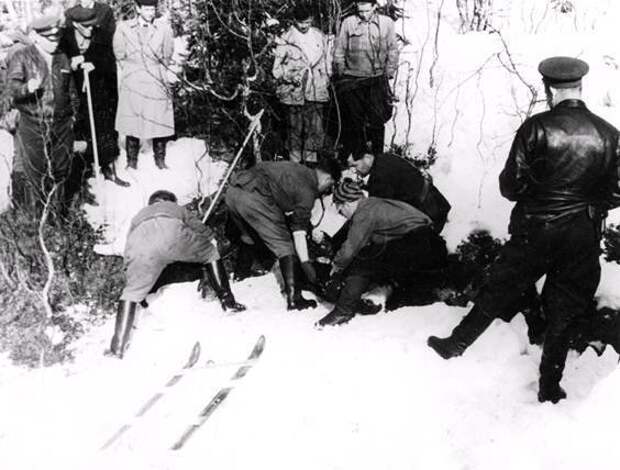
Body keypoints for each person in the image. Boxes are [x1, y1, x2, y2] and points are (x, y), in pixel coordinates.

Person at [427, 57, 620, 404]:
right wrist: (590, 204)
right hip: (582, 233)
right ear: (580, 88)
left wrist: (540, 196)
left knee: (500, 286)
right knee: (565, 307)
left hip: (537, 228)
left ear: (549, 89)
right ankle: (549, 387)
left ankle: (455, 345)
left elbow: (510, 186)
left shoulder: (536, 128)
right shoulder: (608, 134)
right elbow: (618, 190)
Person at [108, 190, 246, 359]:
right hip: (172, 236)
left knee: (131, 294)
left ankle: (117, 347)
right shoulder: (175, 208)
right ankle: (228, 302)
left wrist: (130, 271)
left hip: (140, 245)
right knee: (211, 253)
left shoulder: (139, 216)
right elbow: (200, 228)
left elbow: (129, 246)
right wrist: (209, 237)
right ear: (170, 200)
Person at [316, 179, 436, 327]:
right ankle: (376, 295)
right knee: (374, 255)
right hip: (428, 241)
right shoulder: (373, 204)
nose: (343, 215)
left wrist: (336, 267)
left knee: (363, 260)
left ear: (346, 204)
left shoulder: (363, 212)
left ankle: (343, 311)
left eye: (341, 210)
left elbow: (351, 247)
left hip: (417, 241)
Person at [225, 158, 342, 310]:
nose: (327, 189)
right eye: (330, 185)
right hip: (254, 198)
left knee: (248, 234)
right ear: (327, 179)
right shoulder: (308, 190)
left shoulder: (296, 168)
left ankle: (241, 274)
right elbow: (298, 233)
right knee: (285, 244)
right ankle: (295, 299)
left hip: (233, 193)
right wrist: (306, 265)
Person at [7, 14, 79, 212]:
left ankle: (58, 215)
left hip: (62, 125)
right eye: (50, 38)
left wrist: (73, 114)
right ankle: (39, 219)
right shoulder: (21, 57)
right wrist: (26, 88)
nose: (54, 42)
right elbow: (11, 91)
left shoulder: (62, 57)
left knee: (61, 170)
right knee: (37, 173)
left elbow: (71, 89)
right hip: (33, 125)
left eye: (57, 38)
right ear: (37, 37)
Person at [60, 4, 129, 188]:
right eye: (87, 26)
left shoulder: (102, 35)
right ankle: (83, 171)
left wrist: (93, 63)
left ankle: (108, 168)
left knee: (105, 130)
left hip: (101, 92)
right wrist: (71, 63)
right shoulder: (65, 38)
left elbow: (109, 60)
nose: (91, 28)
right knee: (80, 131)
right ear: (75, 25)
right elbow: (58, 60)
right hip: (75, 92)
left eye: (93, 25)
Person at [333, 0, 399, 160]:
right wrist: (342, 73)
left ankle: (378, 159)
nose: (363, 14)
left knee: (377, 120)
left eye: (366, 11)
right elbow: (339, 50)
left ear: (375, 7)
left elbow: (393, 50)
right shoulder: (348, 23)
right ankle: (358, 158)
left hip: (376, 80)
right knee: (355, 122)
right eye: (360, 11)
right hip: (353, 81)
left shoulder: (387, 23)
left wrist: (389, 72)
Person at [113, 0, 175, 170]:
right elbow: (119, 52)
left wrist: (157, 70)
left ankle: (160, 160)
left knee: (159, 120)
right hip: (132, 79)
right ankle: (131, 162)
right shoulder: (123, 27)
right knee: (132, 121)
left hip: (156, 78)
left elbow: (167, 53)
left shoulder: (164, 28)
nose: (150, 12)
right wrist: (132, 70)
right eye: (146, 9)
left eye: (153, 9)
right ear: (138, 9)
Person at [272, 3, 332, 163]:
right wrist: (290, 77)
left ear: (312, 19)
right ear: (294, 21)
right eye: (300, 22)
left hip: (316, 91)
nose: (304, 26)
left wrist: (325, 79)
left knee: (315, 128)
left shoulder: (320, 36)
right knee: (294, 129)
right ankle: (295, 164)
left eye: (307, 22)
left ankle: (311, 165)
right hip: (294, 93)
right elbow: (276, 70)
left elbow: (327, 62)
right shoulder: (286, 40)